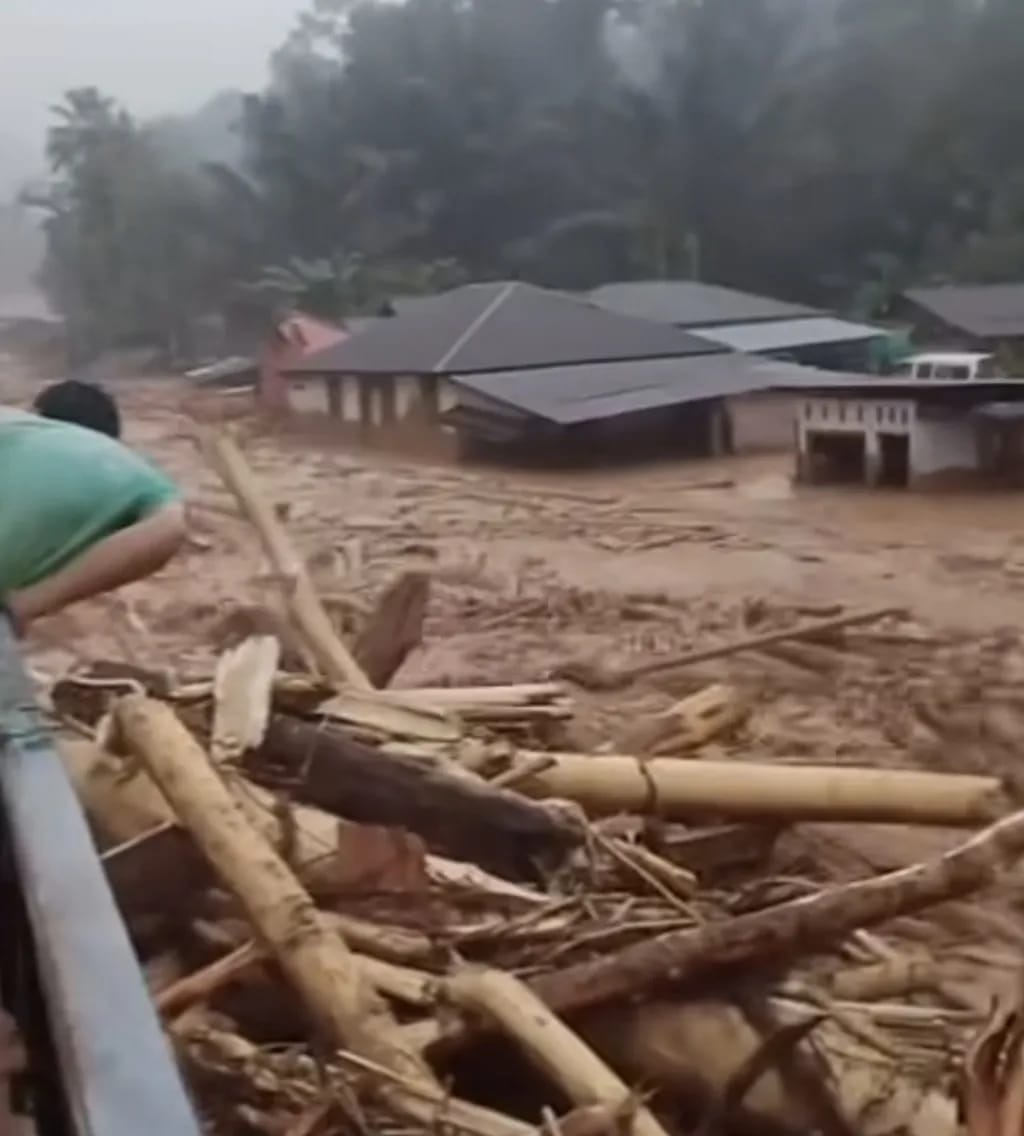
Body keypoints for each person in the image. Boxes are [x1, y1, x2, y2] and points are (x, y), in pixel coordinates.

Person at [0, 380, 186, 633]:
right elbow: (171, 526)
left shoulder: (15, 423)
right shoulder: (136, 473)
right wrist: (24, 606)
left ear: (37, 414)